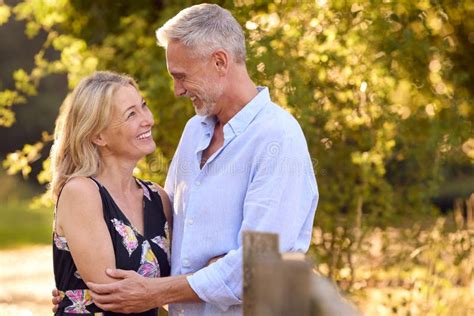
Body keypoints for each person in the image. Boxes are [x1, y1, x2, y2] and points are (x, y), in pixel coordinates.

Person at [53, 3, 318, 315]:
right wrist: (78, 293)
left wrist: (159, 291)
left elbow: (257, 266)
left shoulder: (277, 137)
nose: (177, 90)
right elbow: (164, 245)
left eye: (182, 76)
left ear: (220, 62)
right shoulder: (195, 131)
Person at [50, 71, 172, 315]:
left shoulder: (158, 198)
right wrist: (194, 281)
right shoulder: (81, 192)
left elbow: (177, 284)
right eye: (131, 114)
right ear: (98, 135)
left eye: (143, 106)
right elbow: (115, 294)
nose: (147, 119)